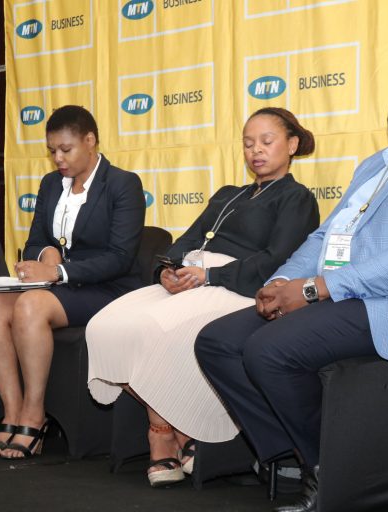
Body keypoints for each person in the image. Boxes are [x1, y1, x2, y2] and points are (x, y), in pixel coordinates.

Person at [195, 59, 388, 512]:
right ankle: (296, 453)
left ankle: (327, 469)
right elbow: (325, 237)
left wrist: (315, 289)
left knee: (268, 350)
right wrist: (281, 281)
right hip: (347, 292)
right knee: (217, 342)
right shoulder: (377, 163)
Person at [85, 108, 320, 487]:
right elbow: (187, 240)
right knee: (103, 326)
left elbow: (275, 261)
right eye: (248, 143)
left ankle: (160, 435)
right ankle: (178, 430)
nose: (256, 150)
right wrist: (166, 271)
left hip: (238, 288)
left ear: (292, 145)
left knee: (152, 329)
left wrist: (211, 275)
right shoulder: (228, 194)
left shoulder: (297, 198)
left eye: (266, 141)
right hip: (193, 280)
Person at [0, 105, 146, 459]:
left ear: (90, 141)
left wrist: (60, 272)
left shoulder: (122, 184)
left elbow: (120, 257)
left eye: (66, 149)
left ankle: (34, 415)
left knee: (30, 305)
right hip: (60, 286)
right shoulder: (51, 184)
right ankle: (12, 412)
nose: (58, 158)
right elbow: (35, 240)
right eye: (52, 150)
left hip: (107, 288)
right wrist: (46, 254)